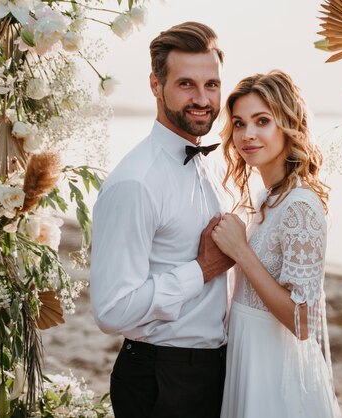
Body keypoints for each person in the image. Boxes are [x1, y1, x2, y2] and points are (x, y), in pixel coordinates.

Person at [90, 22, 234, 418]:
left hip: (214, 370)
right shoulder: (135, 182)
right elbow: (112, 310)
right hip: (160, 379)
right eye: (186, 84)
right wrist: (201, 270)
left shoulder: (210, 165)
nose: (202, 99)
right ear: (156, 85)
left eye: (212, 85)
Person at [211, 70, 342, 418]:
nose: (247, 135)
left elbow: (302, 321)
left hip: (275, 368)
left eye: (262, 121)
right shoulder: (267, 198)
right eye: (239, 123)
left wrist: (241, 251)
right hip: (247, 353)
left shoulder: (300, 206)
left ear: (288, 125)